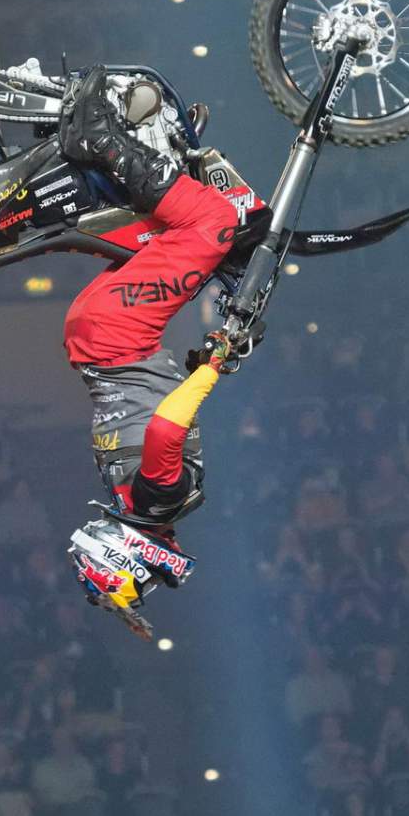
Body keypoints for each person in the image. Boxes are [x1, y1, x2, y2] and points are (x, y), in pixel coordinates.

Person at [60, 65, 254, 635]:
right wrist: (193, 367)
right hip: (96, 338)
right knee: (173, 237)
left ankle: (99, 139)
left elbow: (167, 429)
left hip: (119, 331)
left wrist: (212, 368)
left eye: (142, 579)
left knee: (214, 222)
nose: (152, 575)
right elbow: (148, 411)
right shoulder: (127, 499)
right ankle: (143, 149)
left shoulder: (162, 501)